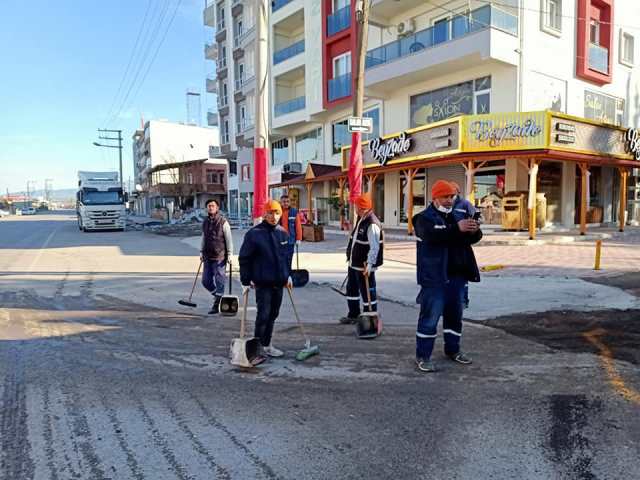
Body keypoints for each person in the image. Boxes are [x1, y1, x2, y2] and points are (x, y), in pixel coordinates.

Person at [412, 180, 482, 373]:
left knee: (455, 317)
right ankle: (423, 356)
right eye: (445, 196)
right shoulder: (422, 218)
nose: (450, 200)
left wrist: (475, 230)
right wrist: (457, 228)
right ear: (435, 197)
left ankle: (453, 350)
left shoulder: (457, 217)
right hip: (434, 278)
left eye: (452, 196)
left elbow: (471, 238)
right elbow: (434, 235)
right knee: (430, 318)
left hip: (458, 278)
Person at [239, 200, 292, 359]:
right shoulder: (254, 234)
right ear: (264, 214)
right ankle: (256, 348)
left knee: (273, 314)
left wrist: (288, 275)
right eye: (270, 213)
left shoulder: (282, 232)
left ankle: (267, 345)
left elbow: (286, 257)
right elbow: (244, 258)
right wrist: (245, 281)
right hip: (262, 283)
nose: (273, 217)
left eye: (276, 213)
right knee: (263, 315)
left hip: (279, 282)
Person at [339, 193, 384, 324]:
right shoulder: (361, 219)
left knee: (367, 293)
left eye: (356, 206)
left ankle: (370, 318)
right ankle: (353, 314)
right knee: (352, 289)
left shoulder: (372, 224)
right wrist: (350, 258)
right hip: (354, 264)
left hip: (364, 266)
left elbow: (374, 247)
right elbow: (355, 241)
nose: (355, 209)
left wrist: (370, 265)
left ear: (362, 207)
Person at [200, 199, 233, 315]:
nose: (210, 207)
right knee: (205, 281)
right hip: (207, 256)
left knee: (220, 281)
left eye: (213, 206)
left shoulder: (223, 222)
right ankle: (218, 296)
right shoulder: (205, 222)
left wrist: (230, 254)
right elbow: (203, 238)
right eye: (208, 206)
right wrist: (201, 251)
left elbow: (229, 239)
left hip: (220, 256)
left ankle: (216, 304)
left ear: (217, 208)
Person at [450, 181, 477, 309]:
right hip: (449, 243)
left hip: (462, 244)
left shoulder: (465, 204)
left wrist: (473, 227)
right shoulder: (446, 205)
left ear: (458, 191)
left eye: (453, 190)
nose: (451, 193)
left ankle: (463, 300)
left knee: (462, 277)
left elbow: (476, 217)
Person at [279, 194, 303, 269]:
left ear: (289, 202)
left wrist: (298, 238)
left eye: (287, 201)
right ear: (281, 202)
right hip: (279, 240)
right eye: (284, 202)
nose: (285, 203)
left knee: (289, 258)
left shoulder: (294, 212)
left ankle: (288, 274)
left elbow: (298, 226)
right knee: (280, 259)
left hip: (290, 241)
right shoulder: (278, 212)